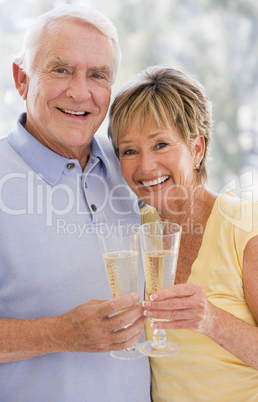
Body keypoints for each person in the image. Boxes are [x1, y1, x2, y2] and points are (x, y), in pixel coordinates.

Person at [0, 5, 151, 402]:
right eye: (61, 70)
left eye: (97, 75)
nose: (80, 92)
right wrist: (58, 333)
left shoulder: (133, 172)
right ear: (22, 79)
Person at [108, 66, 258, 401]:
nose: (145, 167)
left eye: (161, 144)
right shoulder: (135, 231)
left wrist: (211, 320)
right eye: (129, 150)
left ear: (198, 150)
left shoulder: (245, 226)